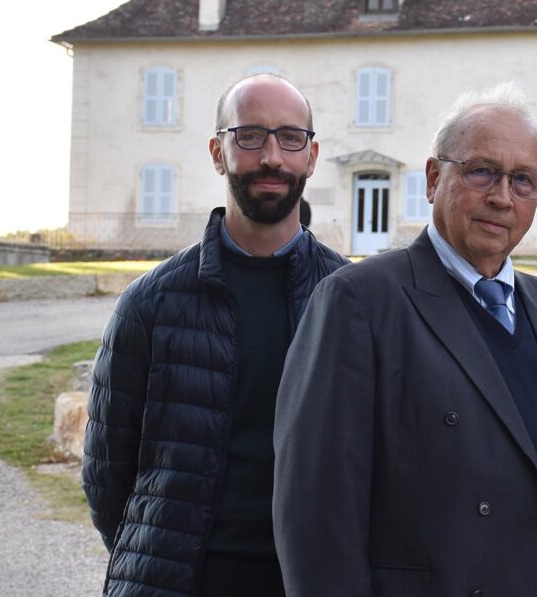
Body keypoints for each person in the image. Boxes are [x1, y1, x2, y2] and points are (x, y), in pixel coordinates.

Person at [272, 83, 537, 596]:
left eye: (523, 181)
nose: (501, 197)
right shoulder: (359, 304)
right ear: (433, 178)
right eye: (481, 171)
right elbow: (316, 517)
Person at [82, 74, 349, 596]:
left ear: (311, 157)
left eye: (290, 138)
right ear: (217, 151)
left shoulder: (353, 302)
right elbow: (106, 473)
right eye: (250, 135)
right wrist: (156, 554)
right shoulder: (150, 304)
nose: (272, 155)